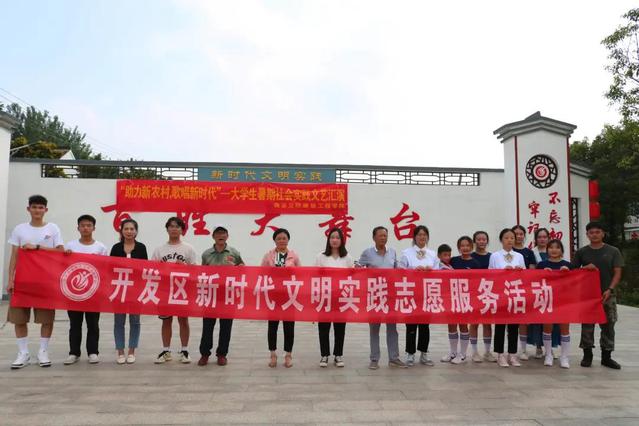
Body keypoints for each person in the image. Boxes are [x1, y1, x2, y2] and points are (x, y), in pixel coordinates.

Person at [6, 195, 64, 369]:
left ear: (46, 210)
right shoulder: (19, 229)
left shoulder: (53, 228)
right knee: (19, 318)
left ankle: (43, 351)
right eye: (34, 207)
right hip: (23, 280)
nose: (37, 210)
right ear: (28, 209)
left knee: (46, 319)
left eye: (40, 207)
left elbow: (60, 251)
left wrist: (37, 247)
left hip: (45, 280)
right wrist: (10, 279)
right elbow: (14, 255)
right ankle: (23, 353)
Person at [573, 221, 623, 370]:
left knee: (608, 325)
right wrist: (584, 268)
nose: (594, 235)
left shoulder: (613, 251)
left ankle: (606, 356)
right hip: (588, 295)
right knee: (587, 325)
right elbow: (573, 272)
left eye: (597, 232)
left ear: (603, 234)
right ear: (587, 235)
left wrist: (610, 289)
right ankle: (587, 355)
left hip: (607, 294)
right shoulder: (582, 252)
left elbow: (618, 272)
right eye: (591, 232)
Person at [358, 226, 407, 369]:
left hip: (390, 295)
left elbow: (397, 268)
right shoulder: (367, 253)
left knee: (392, 327)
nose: (383, 238)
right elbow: (358, 268)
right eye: (380, 236)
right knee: (374, 328)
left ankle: (394, 358)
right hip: (374, 295)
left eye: (385, 236)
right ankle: (374, 359)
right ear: (374, 238)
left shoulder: (392, 252)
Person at [152, 217, 198, 365]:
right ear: (167, 229)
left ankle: (184, 350)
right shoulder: (159, 249)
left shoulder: (188, 248)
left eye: (177, 226)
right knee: (166, 320)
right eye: (171, 226)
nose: (174, 229)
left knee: (183, 320)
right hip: (165, 290)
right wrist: (159, 267)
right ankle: (166, 350)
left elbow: (195, 271)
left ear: (182, 230)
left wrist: (184, 266)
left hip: (182, 290)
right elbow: (152, 270)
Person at [63, 215, 108, 365]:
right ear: (78, 228)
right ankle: (74, 353)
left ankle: (93, 352)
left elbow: (105, 270)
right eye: (83, 225)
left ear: (94, 228)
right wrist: (66, 256)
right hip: (74, 292)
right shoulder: (70, 245)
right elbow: (64, 267)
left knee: (93, 324)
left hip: (94, 292)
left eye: (89, 225)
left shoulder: (101, 247)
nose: (86, 228)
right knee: (75, 324)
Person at [198, 225, 244, 367]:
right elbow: (201, 273)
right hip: (211, 294)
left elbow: (243, 267)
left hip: (228, 295)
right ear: (213, 236)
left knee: (226, 326)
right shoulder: (206, 254)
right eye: (218, 233)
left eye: (223, 233)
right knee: (207, 326)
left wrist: (239, 267)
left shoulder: (234, 252)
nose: (221, 236)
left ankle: (222, 354)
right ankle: (205, 354)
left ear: (227, 236)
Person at [399, 225, 438, 367]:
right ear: (414, 237)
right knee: (411, 324)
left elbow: (439, 273)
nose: (422, 237)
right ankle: (410, 354)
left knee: (424, 325)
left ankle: (424, 353)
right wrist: (413, 271)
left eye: (424, 235)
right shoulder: (406, 253)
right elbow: (400, 271)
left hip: (427, 294)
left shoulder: (432, 254)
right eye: (419, 235)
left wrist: (431, 271)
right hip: (411, 293)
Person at [109, 218, 147, 364]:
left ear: (136, 231)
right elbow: (110, 268)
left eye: (132, 229)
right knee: (119, 321)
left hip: (135, 290)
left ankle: (131, 351)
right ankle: (120, 351)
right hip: (119, 289)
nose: (129, 231)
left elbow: (145, 269)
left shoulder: (141, 248)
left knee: (135, 321)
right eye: (126, 229)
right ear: (121, 231)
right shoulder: (116, 248)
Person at [261, 228, 301, 368]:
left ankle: (288, 355)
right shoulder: (268, 256)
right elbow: (262, 273)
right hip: (273, 295)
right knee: (272, 326)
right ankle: (273, 354)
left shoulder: (294, 256)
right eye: (279, 238)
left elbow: (300, 274)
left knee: (289, 327)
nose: (282, 241)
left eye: (284, 238)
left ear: (288, 240)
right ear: (274, 240)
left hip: (289, 295)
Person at [315, 227, 354, 368]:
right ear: (328, 240)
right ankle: (324, 355)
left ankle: (338, 354)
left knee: (340, 327)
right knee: (323, 327)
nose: (335, 240)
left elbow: (352, 277)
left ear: (342, 240)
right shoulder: (321, 256)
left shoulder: (347, 257)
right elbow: (315, 277)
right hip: (325, 297)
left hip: (341, 297)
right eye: (332, 237)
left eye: (337, 237)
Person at [489, 228, 525, 368]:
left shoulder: (519, 256)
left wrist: (519, 271)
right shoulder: (495, 256)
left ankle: (512, 354)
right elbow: (490, 274)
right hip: (500, 294)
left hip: (515, 294)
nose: (509, 240)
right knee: (500, 326)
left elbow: (525, 274)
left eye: (512, 238)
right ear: (501, 240)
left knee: (514, 327)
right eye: (506, 238)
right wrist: (503, 272)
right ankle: (500, 354)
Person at [445, 236, 481, 364]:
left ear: (471, 247)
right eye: (462, 246)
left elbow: (477, 283)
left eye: (467, 245)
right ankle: (453, 352)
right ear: (458, 247)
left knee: (463, 325)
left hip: (466, 299)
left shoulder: (475, 264)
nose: (465, 248)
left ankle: (463, 354)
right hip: (453, 297)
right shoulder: (453, 260)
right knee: (451, 324)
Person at [537, 239, 572, 368]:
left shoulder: (568, 265)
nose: (554, 250)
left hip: (564, 301)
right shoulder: (542, 264)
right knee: (547, 328)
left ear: (562, 250)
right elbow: (534, 282)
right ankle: (548, 355)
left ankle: (564, 357)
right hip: (547, 300)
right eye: (551, 247)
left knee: (565, 329)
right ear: (547, 250)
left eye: (557, 247)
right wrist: (542, 273)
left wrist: (568, 273)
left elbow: (575, 282)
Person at [527, 228, 561, 360]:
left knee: (553, 321)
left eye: (545, 237)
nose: (542, 239)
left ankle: (550, 348)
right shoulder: (532, 252)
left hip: (553, 291)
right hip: (538, 290)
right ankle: (538, 347)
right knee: (538, 320)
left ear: (548, 238)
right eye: (539, 237)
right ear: (536, 239)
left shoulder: (554, 251)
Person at [512, 224, 537, 361]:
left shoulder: (529, 252)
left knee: (523, 321)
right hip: (509, 289)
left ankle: (523, 349)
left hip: (524, 289)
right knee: (510, 321)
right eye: (516, 234)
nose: (518, 236)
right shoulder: (506, 252)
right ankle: (511, 349)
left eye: (521, 234)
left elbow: (532, 271)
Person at [470, 231, 495, 362]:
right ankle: (474, 352)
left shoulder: (492, 257)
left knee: (487, 324)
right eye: (478, 239)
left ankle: (487, 351)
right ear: (474, 241)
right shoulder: (470, 257)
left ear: (487, 241)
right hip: (474, 294)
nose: (481, 241)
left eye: (484, 239)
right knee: (474, 323)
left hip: (488, 293)